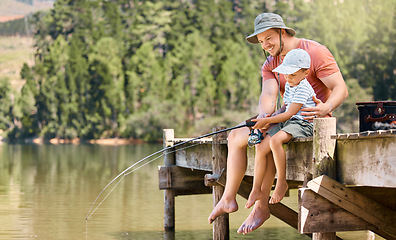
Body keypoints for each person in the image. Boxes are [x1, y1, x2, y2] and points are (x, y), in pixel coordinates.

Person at [207, 12, 348, 235]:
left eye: (268, 38)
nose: (265, 45)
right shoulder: (270, 63)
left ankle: (261, 206)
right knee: (236, 136)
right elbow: (268, 96)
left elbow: (341, 89)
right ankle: (228, 199)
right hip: (285, 117)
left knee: (270, 141)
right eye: (261, 42)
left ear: (283, 32)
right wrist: (264, 116)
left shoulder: (314, 52)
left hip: (308, 123)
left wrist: (326, 107)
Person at [246, 49, 315, 210]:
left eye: (293, 74)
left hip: (303, 123)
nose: (288, 78)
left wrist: (267, 120)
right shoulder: (292, 84)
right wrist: (267, 120)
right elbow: (285, 108)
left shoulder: (303, 87)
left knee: (276, 140)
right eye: (286, 74)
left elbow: (290, 113)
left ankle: (281, 182)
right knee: (261, 147)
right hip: (291, 121)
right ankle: (256, 189)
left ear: (305, 73)